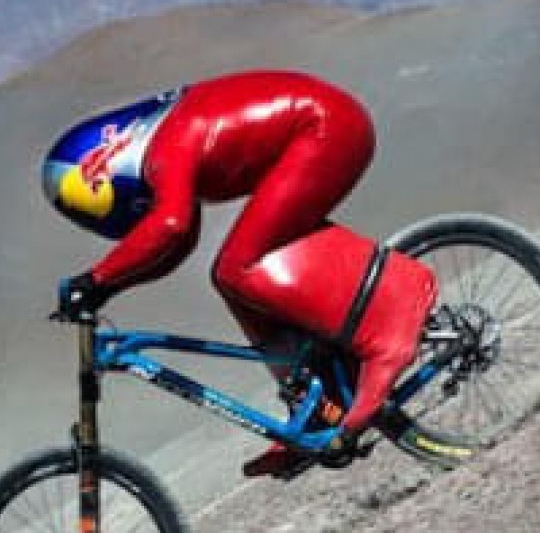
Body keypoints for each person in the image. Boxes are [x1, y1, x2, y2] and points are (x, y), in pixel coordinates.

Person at [39, 68, 437, 475]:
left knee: (238, 266)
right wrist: (108, 286)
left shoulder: (164, 145)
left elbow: (171, 225)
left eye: (94, 202)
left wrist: (96, 279)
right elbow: (177, 245)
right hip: (324, 125)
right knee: (229, 278)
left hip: (326, 127)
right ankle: (313, 405)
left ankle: (388, 331)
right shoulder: (163, 138)